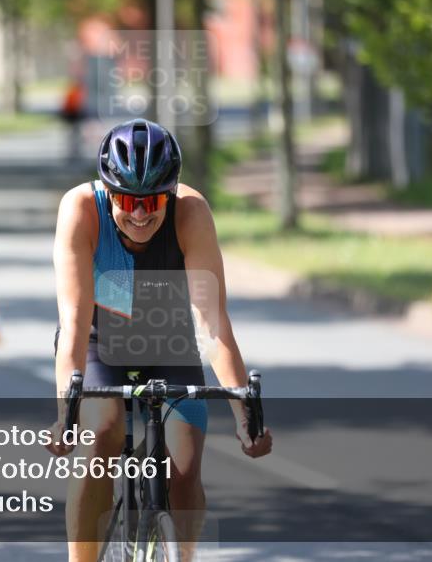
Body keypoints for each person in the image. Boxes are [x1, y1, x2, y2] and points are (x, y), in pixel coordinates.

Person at [47, 118, 272, 561]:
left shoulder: (192, 213)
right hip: (98, 338)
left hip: (168, 340)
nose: (140, 213)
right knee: (102, 433)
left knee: (184, 467)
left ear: (169, 194)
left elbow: (212, 322)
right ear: (109, 192)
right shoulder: (80, 210)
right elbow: (73, 320)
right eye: (128, 200)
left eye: (152, 200)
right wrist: (64, 415)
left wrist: (247, 418)